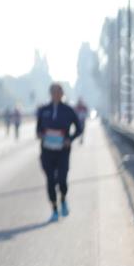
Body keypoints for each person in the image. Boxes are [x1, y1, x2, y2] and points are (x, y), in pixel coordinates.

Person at [36, 83, 83, 222]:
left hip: (63, 151)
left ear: (62, 94)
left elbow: (79, 128)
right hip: (47, 151)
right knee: (50, 180)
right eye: (53, 92)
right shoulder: (43, 110)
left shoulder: (68, 110)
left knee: (62, 179)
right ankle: (54, 210)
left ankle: (63, 199)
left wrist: (70, 139)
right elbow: (38, 129)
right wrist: (40, 134)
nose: (56, 94)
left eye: (59, 92)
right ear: (50, 93)